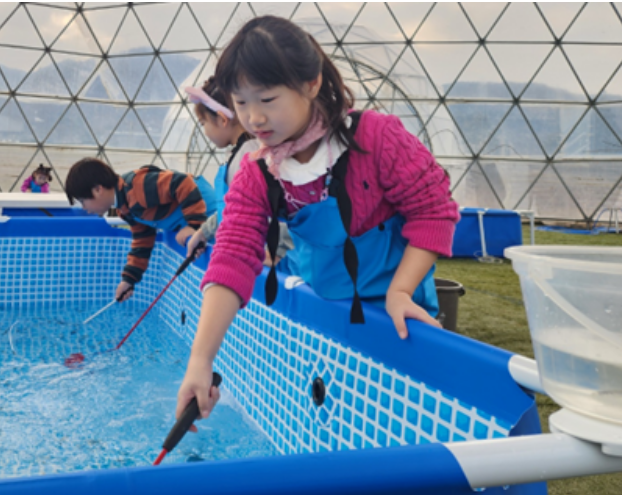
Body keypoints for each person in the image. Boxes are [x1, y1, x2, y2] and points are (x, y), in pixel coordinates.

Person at [175, 16, 459, 427]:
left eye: (267, 99)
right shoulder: (259, 171)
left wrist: (401, 290)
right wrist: (200, 361)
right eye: (240, 103)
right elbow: (233, 255)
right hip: (331, 314)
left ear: (310, 83)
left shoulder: (375, 137)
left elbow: (433, 210)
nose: (253, 118)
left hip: (403, 314)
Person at [65, 158, 216, 302]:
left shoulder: (137, 187)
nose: (84, 208)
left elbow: (182, 183)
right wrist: (129, 279)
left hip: (210, 211)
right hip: (195, 218)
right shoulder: (124, 208)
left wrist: (194, 225)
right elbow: (143, 239)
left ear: (98, 189)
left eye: (83, 201)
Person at [183, 78, 293, 269]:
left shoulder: (251, 156)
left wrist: (276, 253)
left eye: (203, 123)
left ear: (222, 119)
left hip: (276, 267)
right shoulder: (242, 153)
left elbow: (280, 208)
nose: (205, 131)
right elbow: (232, 209)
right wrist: (203, 233)